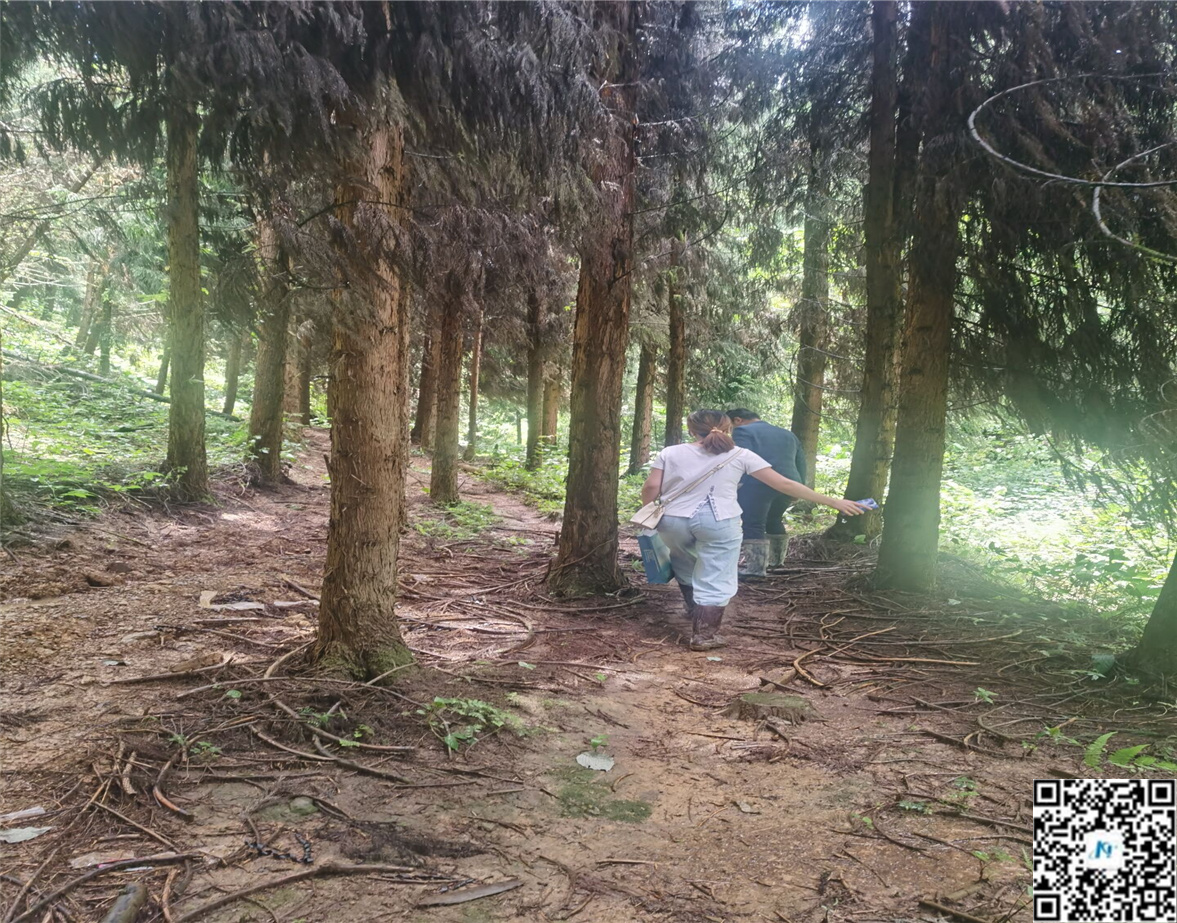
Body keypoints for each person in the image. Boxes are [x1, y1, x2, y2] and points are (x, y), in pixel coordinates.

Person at [640, 410, 867, 651]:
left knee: (683, 561)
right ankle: (704, 635)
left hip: (673, 520)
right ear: (728, 428)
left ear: (691, 430)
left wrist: (648, 512)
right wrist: (833, 502)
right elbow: (784, 483)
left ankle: (693, 609)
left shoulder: (670, 452)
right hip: (719, 521)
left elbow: (651, 486)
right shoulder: (741, 454)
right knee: (716, 573)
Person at [727, 408, 806, 578]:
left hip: (757, 483)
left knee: (753, 524)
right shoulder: (787, 434)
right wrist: (800, 487)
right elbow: (801, 461)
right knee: (774, 519)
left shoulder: (742, 431)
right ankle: (776, 562)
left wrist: (736, 483)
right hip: (789, 484)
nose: (730, 430)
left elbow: (741, 458)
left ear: (737, 420)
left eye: (730, 425)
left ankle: (755, 570)